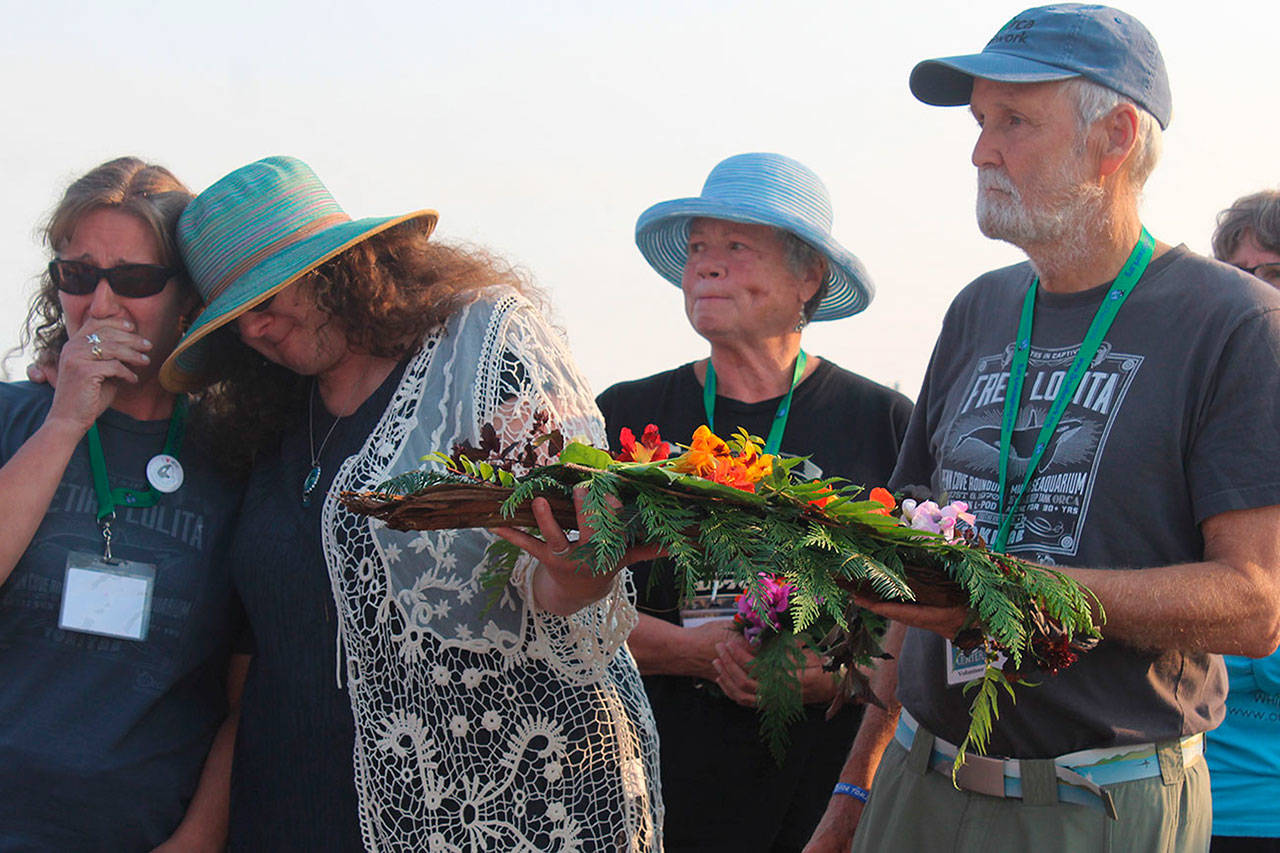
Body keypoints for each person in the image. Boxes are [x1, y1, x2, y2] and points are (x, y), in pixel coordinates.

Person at [805, 6, 1280, 852]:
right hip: (916, 780)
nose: (981, 150)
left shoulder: (1236, 324)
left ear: (1117, 136)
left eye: (1014, 121)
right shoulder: (978, 309)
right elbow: (912, 578)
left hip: (1099, 803)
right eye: (981, 121)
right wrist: (854, 786)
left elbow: (1254, 603)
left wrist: (1010, 596)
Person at [159, 156, 662, 851]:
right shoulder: (263, 413)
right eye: (234, 320)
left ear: (338, 269)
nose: (253, 332)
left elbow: (563, 568)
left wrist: (581, 572)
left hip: (479, 814)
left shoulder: (483, 350)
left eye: (266, 301)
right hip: (285, 811)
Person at [596, 152, 912, 852]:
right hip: (646, 794)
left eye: (736, 247)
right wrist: (687, 649)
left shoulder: (886, 424)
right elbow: (565, 603)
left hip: (822, 806)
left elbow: (922, 626)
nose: (707, 265)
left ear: (809, 278)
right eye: (699, 248)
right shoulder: (625, 419)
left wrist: (837, 676)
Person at [0, 158, 246, 850]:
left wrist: (198, 839)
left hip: (142, 828)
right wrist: (64, 423)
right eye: (78, 276)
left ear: (187, 296)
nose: (101, 305)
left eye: (133, 280)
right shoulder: (14, 418)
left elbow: (248, 692)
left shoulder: (235, 457)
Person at [1205, 190, 1280, 853]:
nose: (1254, 296)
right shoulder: (1197, 429)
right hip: (1174, 803)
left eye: (1274, 274)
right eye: (1237, 275)